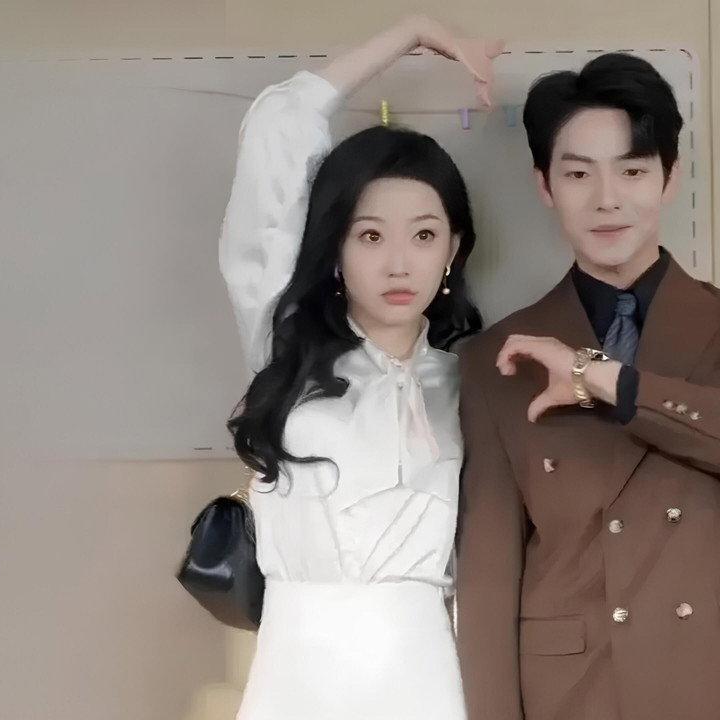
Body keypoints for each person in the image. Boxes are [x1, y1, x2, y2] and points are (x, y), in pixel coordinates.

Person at [454, 53, 720, 720]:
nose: (607, 199)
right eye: (578, 173)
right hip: (581, 689)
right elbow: (488, 575)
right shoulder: (499, 357)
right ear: (545, 185)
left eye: (632, 170)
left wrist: (606, 381)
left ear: (669, 178)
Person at [218, 15, 502, 720]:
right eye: (370, 235)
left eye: (424, 235)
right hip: (296, 677)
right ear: (336, 248)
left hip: (426, 676)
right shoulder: (286, 345)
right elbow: (278, 128)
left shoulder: (471, 382)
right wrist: (411, 31)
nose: (399, 263)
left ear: (453, 250)